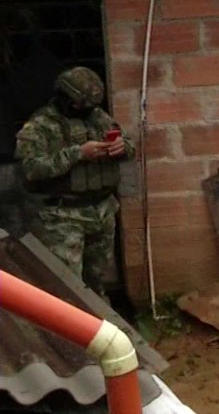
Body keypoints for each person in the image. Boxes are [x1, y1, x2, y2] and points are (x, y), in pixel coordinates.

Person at [16, 66, 133, 295]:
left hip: (102, 210)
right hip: (62, 217)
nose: (86, 110)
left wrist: (123, 146)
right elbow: (31, 168)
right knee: (67, 286)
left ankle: (100, 324)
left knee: (97, 279)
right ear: (64, 98)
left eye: (90, 105)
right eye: (80, 105)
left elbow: (128, 145)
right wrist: (78, 153)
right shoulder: (40, 125)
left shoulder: (98, 117)